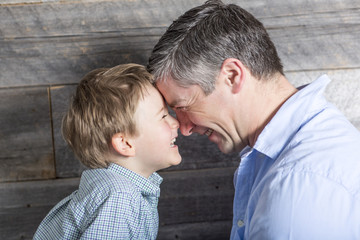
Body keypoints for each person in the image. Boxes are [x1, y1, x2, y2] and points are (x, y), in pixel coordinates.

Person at [147, 0, 360, 239]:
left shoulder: (296, 187)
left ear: (232, 76)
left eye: (183, 106)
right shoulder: (299, 148)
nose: (184, 128)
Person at [33, 63, 181, 239]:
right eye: (163, 116)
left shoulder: (117, 190)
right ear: (125, 143)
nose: (176, 123)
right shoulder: (120, 197)